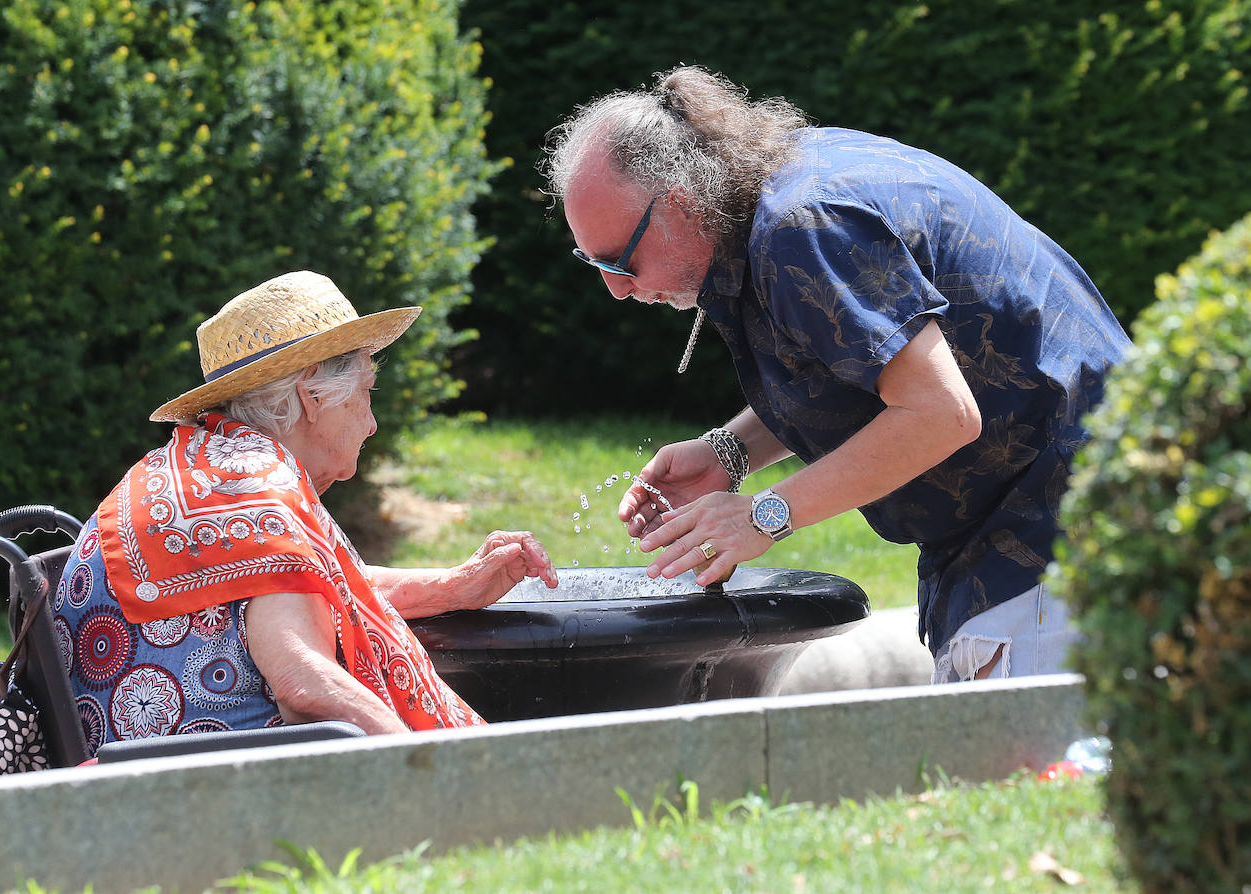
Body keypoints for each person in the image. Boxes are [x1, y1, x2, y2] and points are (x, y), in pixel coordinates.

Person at [543, 65, 1130, 683]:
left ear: (683, 203)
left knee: (1036, 773)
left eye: (620, 260)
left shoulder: (805, 227)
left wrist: (764, 514)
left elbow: (940, 414)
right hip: (1027, 528)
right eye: (592, 262)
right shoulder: (765, 198)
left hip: (1061, 530)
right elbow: (862, 367)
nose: (614, 289)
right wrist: (730, 452)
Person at [55, 271, 557, 754]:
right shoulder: (255, 487)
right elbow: (302, 684)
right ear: (312, 395)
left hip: (130, 776)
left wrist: (451, 587)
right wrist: (436, 772)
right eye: (365, 393)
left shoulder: (209, 467)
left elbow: (308, 585)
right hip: (203, 794)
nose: (373, 423)